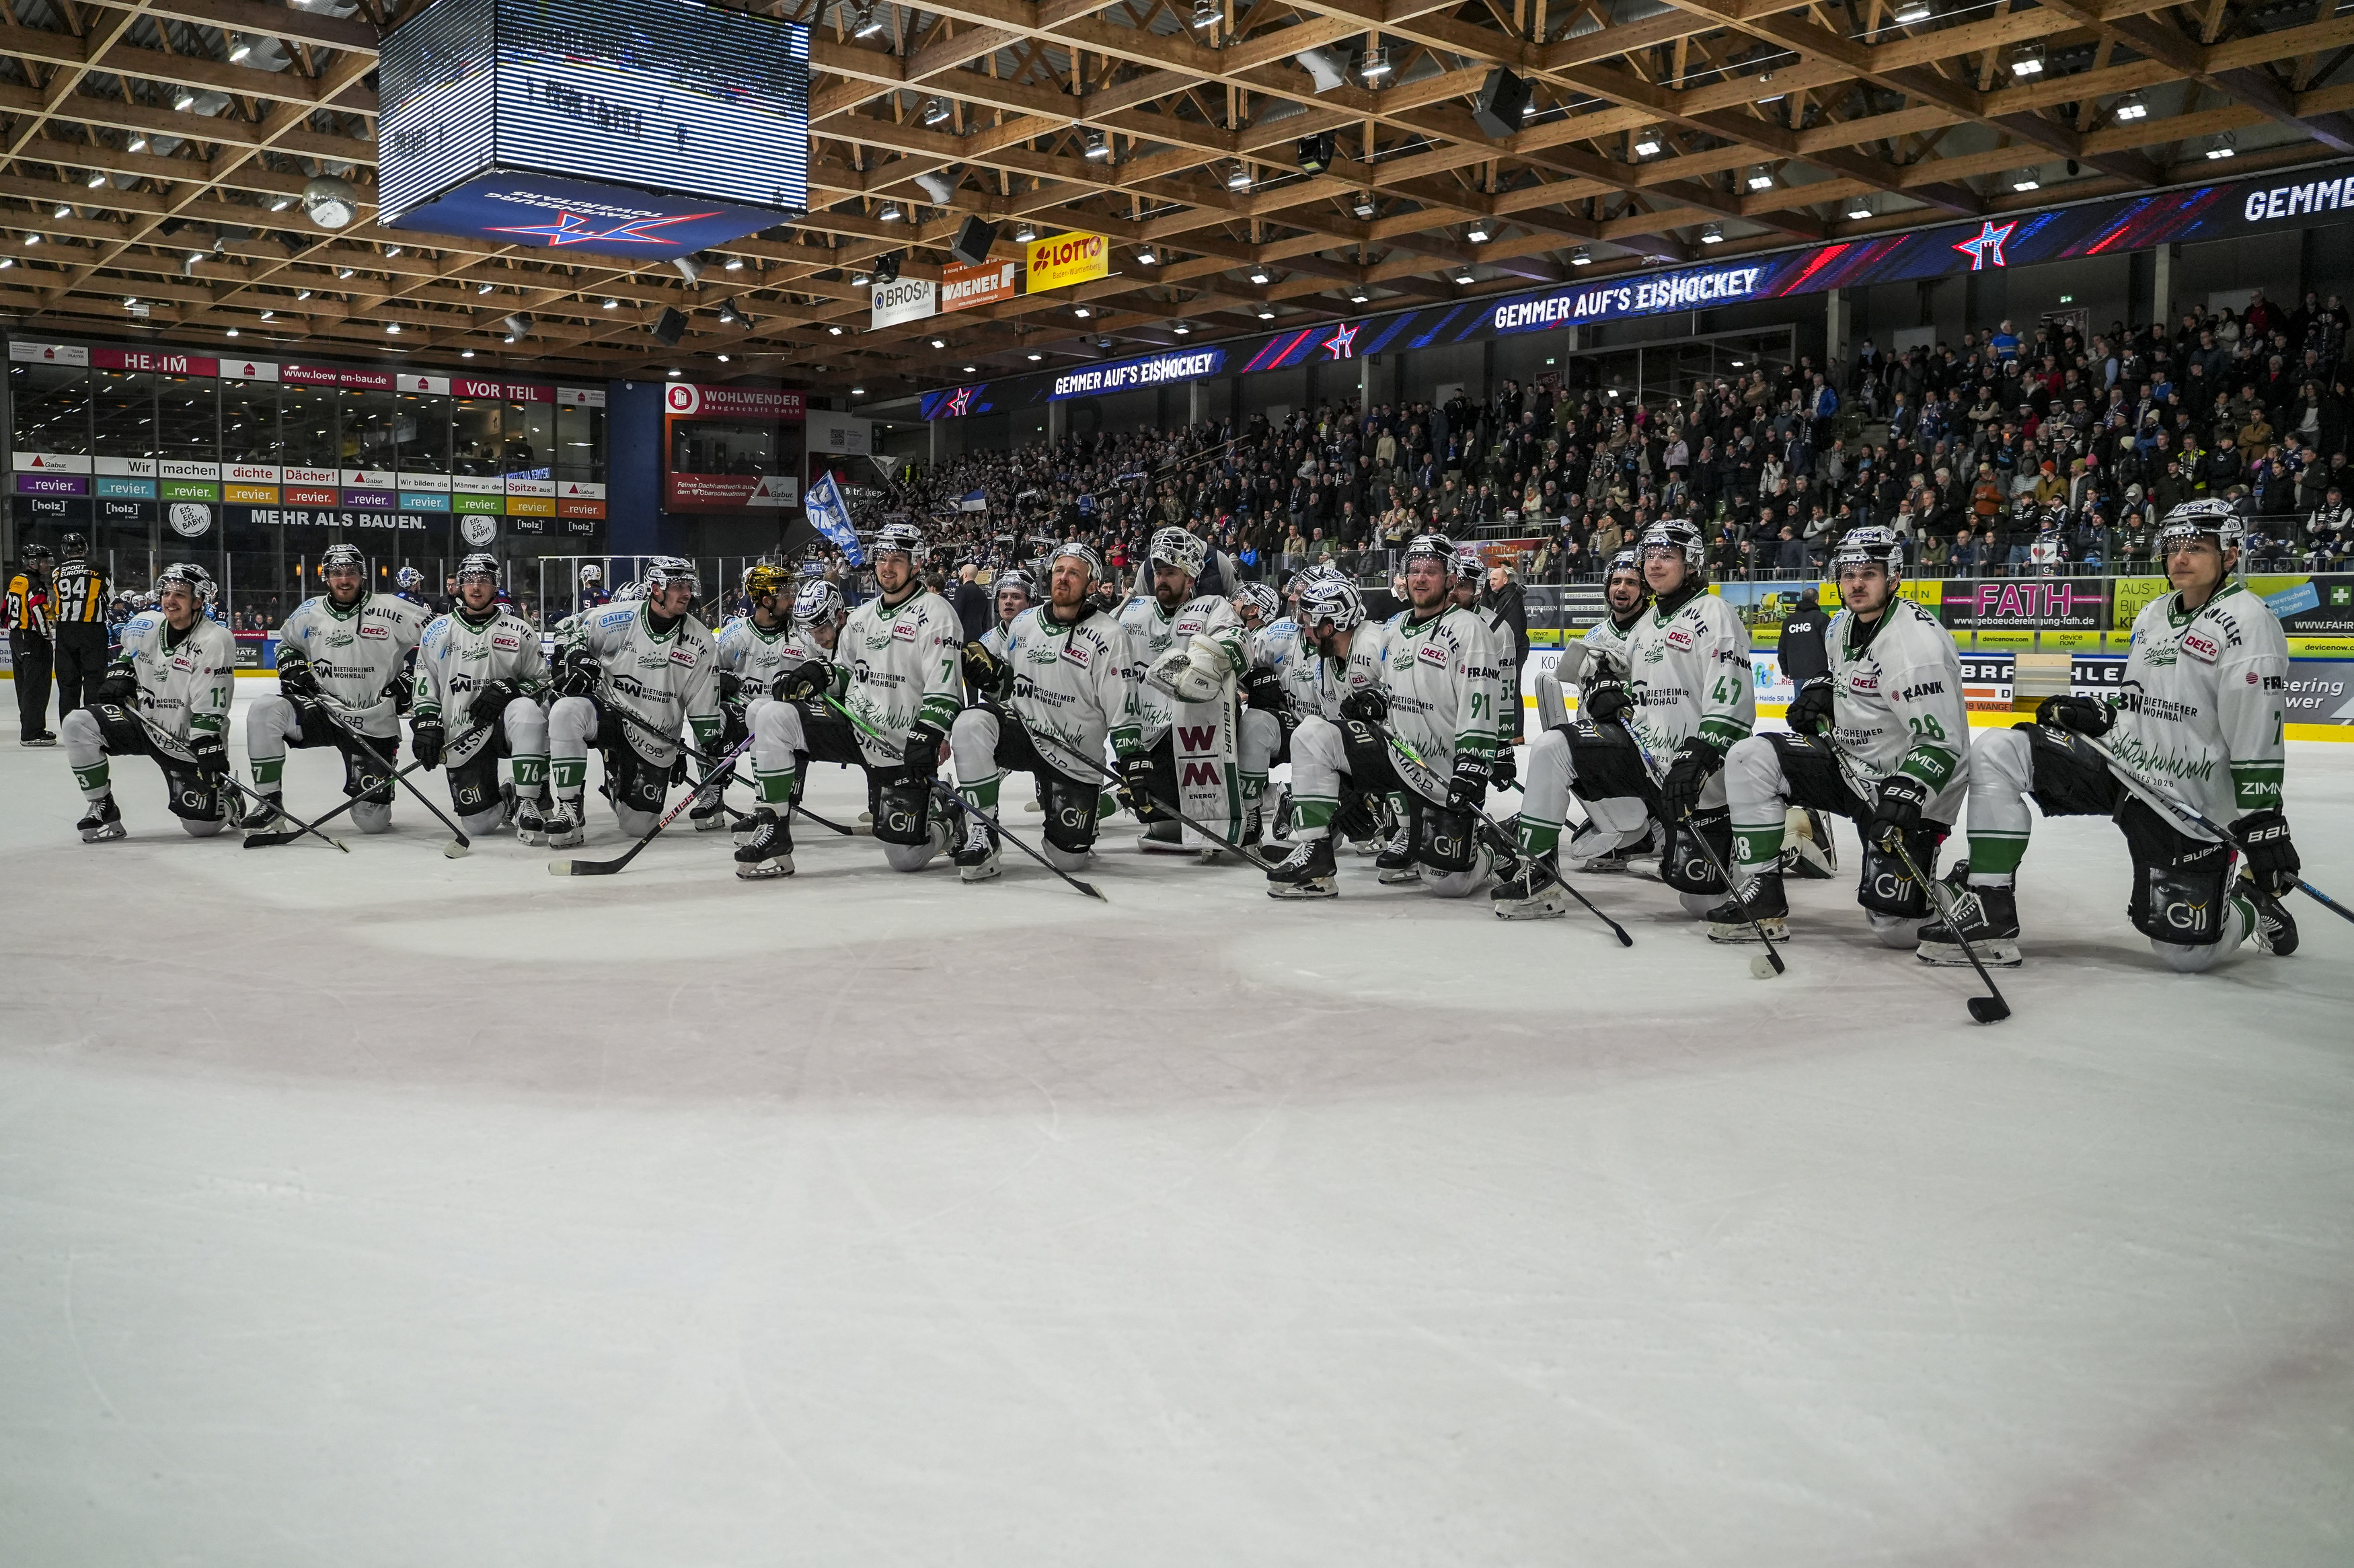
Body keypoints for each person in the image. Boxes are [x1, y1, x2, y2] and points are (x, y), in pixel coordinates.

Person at [1930, 498, 2299, 969]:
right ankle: (1989, 901)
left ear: (2229, 554)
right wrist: (2100, 715)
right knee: (1999, 749)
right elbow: (2141, 702)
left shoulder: (2250, 623)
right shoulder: (2153, 614)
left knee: (2189, 953)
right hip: (2122, 767)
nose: (2180, 558)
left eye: (2196, 548)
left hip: (2184, 802)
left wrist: (2262, 819)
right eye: (2173, 547)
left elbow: (2257, 734)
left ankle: (2251, 904)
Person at [1708, 525, 1970, 946]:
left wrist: (1908, 790)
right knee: (1749, 757)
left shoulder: (1915, 647)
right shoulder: (1840, 625)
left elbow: (1942, 742)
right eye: (1849, 574)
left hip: (1910, 785)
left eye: (1869, 573)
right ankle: (1762, 892)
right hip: (1847, 764)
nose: (1857, 583)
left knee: (1897, 930)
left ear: (1894, 578)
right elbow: (1852, 678)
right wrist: (1823, 691)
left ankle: (1958, 890)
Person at [1501, 519, 1751, 919]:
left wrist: (1700, 758)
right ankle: (1539, 874)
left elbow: (1732, 701)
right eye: (1649, 556)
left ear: (1692, 564)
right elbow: (1623, 681)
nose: (1655, 564)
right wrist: (1602, 691)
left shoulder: (1715, 613)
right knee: (1552, 747)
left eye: (1667, 556)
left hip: (1696, 775)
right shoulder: (1647, 625)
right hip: (1644, 760)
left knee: (1702, 901)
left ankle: (1756, 842)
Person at [1276, 531, 1506, 899]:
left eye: (1431, 570)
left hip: (1442, 772)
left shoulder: (1469, 629)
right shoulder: (1395, 627)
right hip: (1398, 757)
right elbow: (1390, 685)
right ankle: (1316, 855)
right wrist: (1374, 700)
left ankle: (1490, 848)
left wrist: (1473, 764)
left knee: (1447, 884)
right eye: (1414, 570)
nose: (1420, 578)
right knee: (1313, 735)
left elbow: (1480, 702)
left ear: (1450, 579)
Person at [736, 523, 961, 875]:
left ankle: (948, 816)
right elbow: (846, 672)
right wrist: (817, 675)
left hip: (899, 746)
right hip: (855, 729)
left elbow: (945, 685)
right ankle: (774, 826)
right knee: (771, 714)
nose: (887, 567)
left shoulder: (937, 613)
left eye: (897, 560)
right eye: (882, 559)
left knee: (905, 858)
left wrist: (931, 733)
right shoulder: (863, 617)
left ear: (917, 564)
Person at [948, 542, 1133, 881]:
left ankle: (1114, 802)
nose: (1063, 578)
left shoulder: (1109, 634)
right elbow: (1012, 685)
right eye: (1059, 570)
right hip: (1025, 732)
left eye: (1074, 573)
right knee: (972, 722)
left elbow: (1122, 707)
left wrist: (1134, 763)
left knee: (1068, 860)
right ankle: (982, 830)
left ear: (1091, 585)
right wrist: (992, 677)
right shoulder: (1023, 624)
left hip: (1073, 752)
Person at [243, 542, 432, 834]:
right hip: (323, 707)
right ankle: (269, 802)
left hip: (374, 716)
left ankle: (378, 791)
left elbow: (441, 639)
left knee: (372, 822)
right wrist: (292, 665)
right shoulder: (309, 611)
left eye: (351, 572)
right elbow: (287, 644)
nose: (344, 579)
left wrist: (411, 679)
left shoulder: (394, 608)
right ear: (326, 577)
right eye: (336, 573)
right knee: (264, 709)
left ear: (362, 575)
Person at [545, 557, 723, 851]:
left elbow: (703, 705)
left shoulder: (701, 641)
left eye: (688, 586)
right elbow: (567, 628)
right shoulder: (618, 618)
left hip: (653, 734)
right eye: (678, 586)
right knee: (566, 711)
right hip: (610, 710)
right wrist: (577, 656)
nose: (686, 593)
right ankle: (570, 808)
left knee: (638, 826)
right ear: (656, 589)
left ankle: (616, 780)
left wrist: (713, 753)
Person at [59, 561, 236, 841]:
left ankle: (230, 797)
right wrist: (122, 672)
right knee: (78, 723)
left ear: (198, 601)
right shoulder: (146, 624)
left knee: (200, 828)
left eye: (180, 595)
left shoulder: (215, 639)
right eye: (166, 593)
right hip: (146, 725)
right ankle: (103, 805)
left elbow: (212, 702)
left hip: (187, 742)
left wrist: (207, 743)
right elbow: (130, 651)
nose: (170, 600)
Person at [1116, 526, 1249, 855]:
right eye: (1158, 573)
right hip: (1143, 732)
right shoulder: (1132, 610)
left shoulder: (1212, 606)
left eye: (1171, 573)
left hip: (1196, 727)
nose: (1161, 580)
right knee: (1159, 814)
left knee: (1174, 802)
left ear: (1190, 578)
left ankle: (1254, 801)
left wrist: (1205, 660)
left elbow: (1237, 641)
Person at [409, 552, 549, 840]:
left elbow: (542, 683)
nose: (476, 587)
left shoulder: (519, 630)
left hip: (505, 725)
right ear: (460, 585)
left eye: (484, 580)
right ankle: (509, 796)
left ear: (495, 585)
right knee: (480, 825)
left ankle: (529, 797)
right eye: (469, 580)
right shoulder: (437, 630)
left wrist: (513, 690)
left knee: (528, 712)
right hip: (462, 731)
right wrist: (426, 724)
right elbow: (425, 684)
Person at [728, 576, 854, 879]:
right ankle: (770, 812)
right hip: (839, 725)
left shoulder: (860, 633)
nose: (817, 639)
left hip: (870, 730)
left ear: (839, 616)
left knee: (904, 851)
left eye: (821, 630)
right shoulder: (817, 636)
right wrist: (794, 681)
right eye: (811, 631)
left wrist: (822, 678)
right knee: (761, 710)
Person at [1232, 578, 1297, 846]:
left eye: (1239, 599)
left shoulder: (1268, 636)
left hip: (1290, 721)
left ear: (1254, 609)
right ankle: (1275, 796)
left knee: (1253, 723)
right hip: (1276, 722)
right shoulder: (1237, 633)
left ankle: (1254, 810)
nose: (1232, 603)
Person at [47, 534, 110, 719]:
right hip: (93, 629)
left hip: (65, 630)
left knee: (68, 682)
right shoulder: (99, 568)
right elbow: (111, 597)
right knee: (95, 680)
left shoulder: (57, 572)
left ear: (65, 550)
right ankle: (95, 724)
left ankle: (69, 726)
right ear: (85, 548)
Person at [5, 541, 55, 744]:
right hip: (32, 639)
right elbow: (37, 610)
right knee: (36, 688)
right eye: (45, 561)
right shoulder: (35, 584)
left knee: (24, 687)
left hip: (16, 638)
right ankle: (32, 733)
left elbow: (5, 608)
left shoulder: (17, 580)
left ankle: (30, 728)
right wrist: (46, 634)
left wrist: (12, 628)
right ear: (33, 562)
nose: (48, 564)